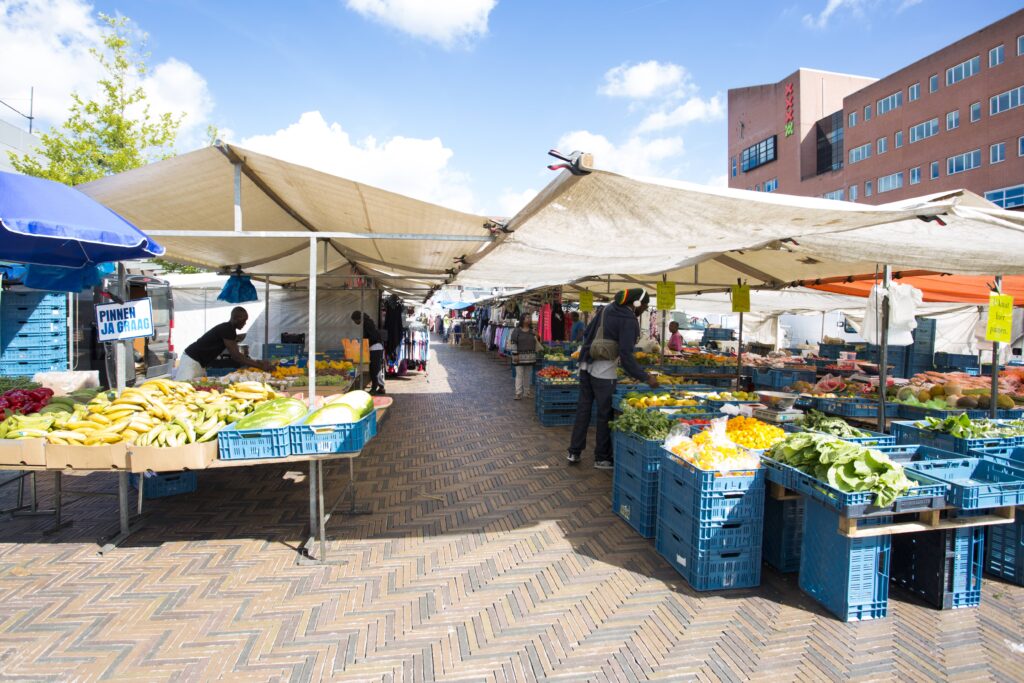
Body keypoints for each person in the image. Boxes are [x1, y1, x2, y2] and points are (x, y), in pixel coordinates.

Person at [568, 289, 658, 469]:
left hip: (585, 364)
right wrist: (645, 376)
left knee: (583, 410)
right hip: (604, 370)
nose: (644, 311)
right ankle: (602, 458)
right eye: (645, 306)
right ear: (636, 303)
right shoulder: (628, 319)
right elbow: (626, 356)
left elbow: (587, 334)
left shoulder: (607, 309)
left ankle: (574, 451)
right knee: (604, 415)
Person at [174, 307, 272, 381]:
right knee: (183, 387)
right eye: (244, 320)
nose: (245, 323)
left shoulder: (229, 330)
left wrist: (257, 362)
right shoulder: (227, 329)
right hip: (191, 360)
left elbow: (236, 348)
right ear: (236, 318)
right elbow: (236, 356)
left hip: (200, 363)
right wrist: (260, 366)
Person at [352, 311, 386, 395]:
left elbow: (372, 337)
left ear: (358, 319)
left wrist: (363, 342)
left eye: (355, 321)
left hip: (375, 348)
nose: (355, 323)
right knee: (376, 369)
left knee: (374, 370)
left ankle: (374, 388)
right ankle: (381, 387)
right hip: (376, 348)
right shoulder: (368, 322)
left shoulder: (367, 324)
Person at [509, 314, 539, 400]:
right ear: (522, 319)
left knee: (527, 375)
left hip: (530, 356)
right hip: (518, 356)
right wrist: (515, 354)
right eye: (527, 317)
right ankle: (518, 393)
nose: (529, 319)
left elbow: (537, 342)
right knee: (519, 375)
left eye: (530, 317)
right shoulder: (517, 330)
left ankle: (527, 392)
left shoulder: (532, 331)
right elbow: (513, 343)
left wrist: (536, 335)